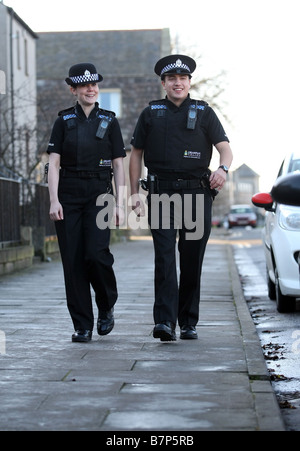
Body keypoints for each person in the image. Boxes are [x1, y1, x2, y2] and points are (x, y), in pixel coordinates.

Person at [130, 54, 233, 342]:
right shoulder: (151, 114)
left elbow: (225, 149)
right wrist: (134, 194)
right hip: (161, 193)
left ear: (189, 82)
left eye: (183, 78)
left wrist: (223, 169)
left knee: (191, 260)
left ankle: (188, 321)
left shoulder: (204, 112)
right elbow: (135, 154)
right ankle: (164, 322)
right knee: (164, 258)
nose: (178, 83)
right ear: (163, 83)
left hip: (197, 195)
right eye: (172, 79)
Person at [47, 63, 126, 343]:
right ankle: (82, 325)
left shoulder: (110, 120)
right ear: (74, 90)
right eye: (84, 86)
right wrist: (54, 200)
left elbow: (118, 164)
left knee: (96, 254)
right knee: (73, 262)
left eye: (94, 85)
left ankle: (106, 303)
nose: (90, 89)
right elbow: (53, 164)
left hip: (100, 195)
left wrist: (120, 202)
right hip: (68, 195)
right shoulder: (63, 121)